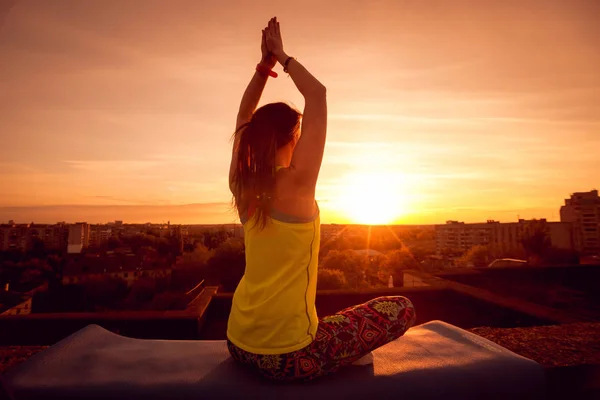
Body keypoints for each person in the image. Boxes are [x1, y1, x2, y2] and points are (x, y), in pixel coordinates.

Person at [227, 17, 416, 381]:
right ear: (291, 137)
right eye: (298, 132)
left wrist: (262, 69)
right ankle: (340, 357)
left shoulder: (242, 184)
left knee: (328, 320)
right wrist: (280, 57)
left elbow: (242, 116)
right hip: (287, 357)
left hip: (238, 342)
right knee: (400, 307)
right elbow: (317, 94)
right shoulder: (297, 184)